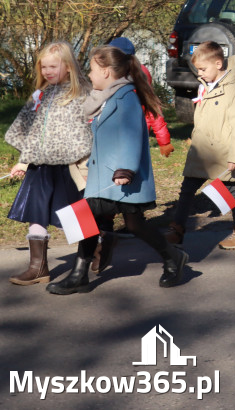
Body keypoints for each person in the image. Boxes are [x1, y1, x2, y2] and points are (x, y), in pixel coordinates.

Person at [46, 45, 187, 294]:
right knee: (92, 219)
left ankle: (172, 257)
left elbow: (132, 137)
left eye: (92, 70)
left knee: (134, 225)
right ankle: (79, 274)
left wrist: (125, 169)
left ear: (107, 72)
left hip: (121, 177)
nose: (89, 75)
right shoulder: (108, 97)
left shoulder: (126, 97)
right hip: (104, 176)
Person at [5, 41, 92, 286]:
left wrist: (86, 164)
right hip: (40, 167)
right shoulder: (41, 95)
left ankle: (96, 248)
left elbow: (86, 133)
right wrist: (23, 161)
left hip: (71, 167)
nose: (47, 71)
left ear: (68, 66)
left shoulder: (81, 93)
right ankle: (38, 267)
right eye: (43, 67)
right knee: (37, 212)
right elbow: (29, 130)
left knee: (78, 215)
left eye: (53, 66)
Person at [92, 36, 175, 274]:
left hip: (128, 153)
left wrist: (164, 140)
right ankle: (92, 257)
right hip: (109, 154)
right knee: (102, 210)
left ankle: (172, 256)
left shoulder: (131, 89)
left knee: (132, 220)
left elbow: (153, 113)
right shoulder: (107, 87)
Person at [166, 41, 235, 250]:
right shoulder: (206, 86)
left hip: (223, 153)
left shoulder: (234, 90)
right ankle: (177, 231)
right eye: (198, 69)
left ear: (218, 63)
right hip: (202, 151)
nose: (200, 73)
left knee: (232, 191)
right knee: (187, 189)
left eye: (203, 69)